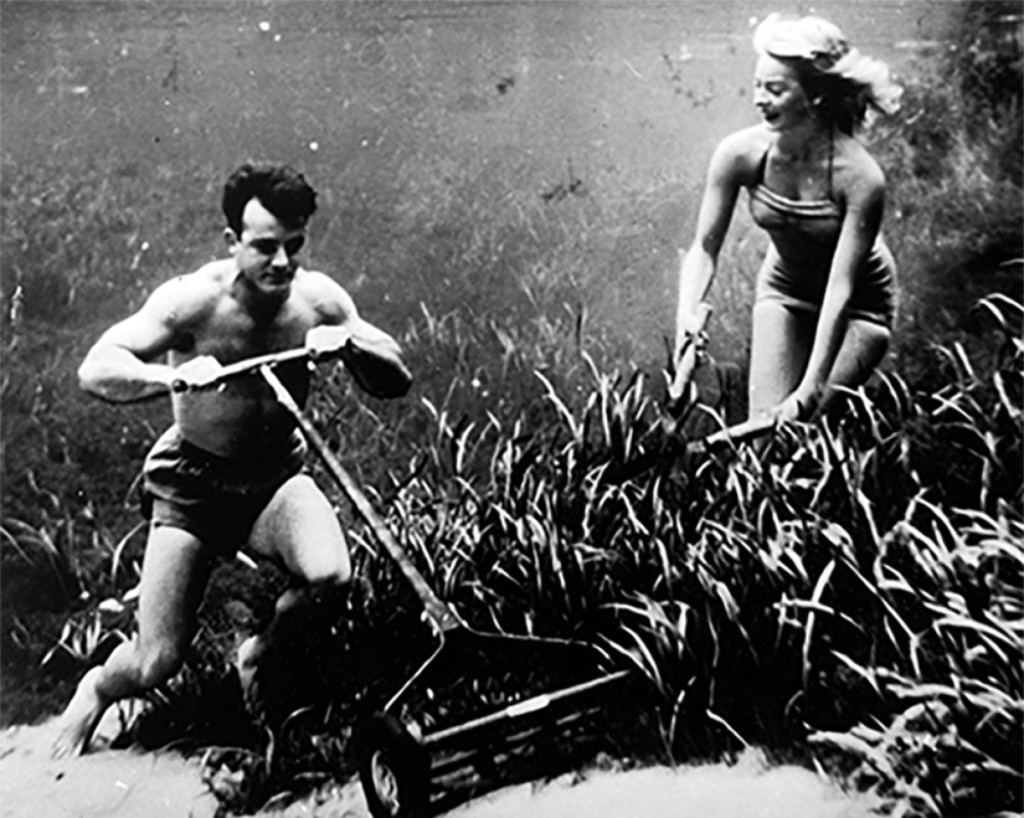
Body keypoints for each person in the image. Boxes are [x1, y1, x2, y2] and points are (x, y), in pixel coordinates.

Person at [52, 163, 413, 758]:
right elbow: (97, 367)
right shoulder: (190, 301)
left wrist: (350, 347)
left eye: (293, 247)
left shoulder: (318, 300)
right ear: (231, 242)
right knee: (157, 660)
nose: (281, 263)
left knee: (331, 577)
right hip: (192, 486)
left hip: (273, 479)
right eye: (264, 248)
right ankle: (96, 688)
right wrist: (168, 375)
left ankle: (260, 657)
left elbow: (395, 375)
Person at [675, 13, 902, 422]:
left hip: (860, 307)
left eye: (775, 89)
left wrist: (810, 389)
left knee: (804, 425)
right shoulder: (738, 154)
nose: (759, 99)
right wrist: (686, 323)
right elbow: (703, 250)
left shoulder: (861, 177)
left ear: (814, 95)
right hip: (784, 289)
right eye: (757, 86)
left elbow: (841, 287)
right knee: (763, 442)